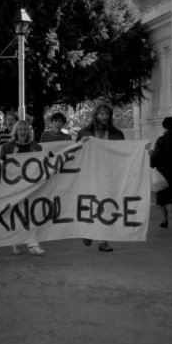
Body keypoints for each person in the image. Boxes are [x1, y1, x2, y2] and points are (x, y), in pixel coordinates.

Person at [77, 102, 124, 252]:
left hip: (110, 175)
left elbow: (125, 152)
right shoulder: (85, 133)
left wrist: (142, 151)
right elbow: (76, 152)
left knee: (107, 206)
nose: (104, 117)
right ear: (96, 116)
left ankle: (103, 241)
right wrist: (81, 143)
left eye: (107, 114)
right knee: (91, 203)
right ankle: (88, 232)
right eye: (101, 114)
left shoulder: (117, 133)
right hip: (90, 173)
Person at [0, 119, 46, 256]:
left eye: (25, 129)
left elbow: (41, 164)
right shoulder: (7, 147)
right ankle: (16, 242)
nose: (23, 132)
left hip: (31, 186)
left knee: (32, 213)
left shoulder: (37, 147)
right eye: (20, 129)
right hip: (14, 186)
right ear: (16, 131)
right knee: (17, 214)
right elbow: (1, 165)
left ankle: (33, 244)